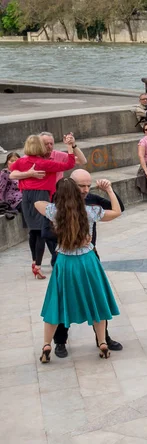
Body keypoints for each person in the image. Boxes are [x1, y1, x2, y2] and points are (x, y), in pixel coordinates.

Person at [35, 178, 121, 363]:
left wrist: (56, 200)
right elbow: (116, 212)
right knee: (96, 300)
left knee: (56, 302)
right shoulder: (90, 211)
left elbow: (37, 203)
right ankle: (102, 341)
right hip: (87, 261)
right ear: (77, 193)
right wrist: (110, 191)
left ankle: (47, 344)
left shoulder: (53, 211)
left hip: (65, 262)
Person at [9, 136, 76, 279]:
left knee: (33, 231)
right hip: (41, 196)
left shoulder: (21, 161)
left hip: (26, 197)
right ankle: (38, 266)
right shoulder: (44, 163)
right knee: (41, 231)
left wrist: (27, 174)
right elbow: (70, 164)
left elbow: (12, 173)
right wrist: (70, 146)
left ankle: (34, 262)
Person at [0, 152, 23, 217]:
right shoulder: (5, 173)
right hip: (13, 200)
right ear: (7, 162)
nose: (14, 162)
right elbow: (1, 189)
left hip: (23, 198)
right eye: (11, 161)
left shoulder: (22, 173)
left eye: (16, 161)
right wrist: (3, 204)